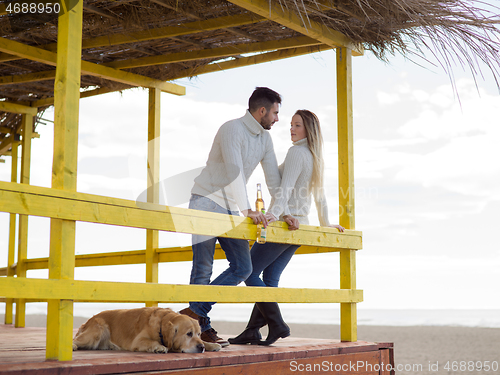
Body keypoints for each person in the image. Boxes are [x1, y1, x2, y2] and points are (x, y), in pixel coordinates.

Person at [228, 109, 345, 346]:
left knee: (248, 271)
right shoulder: (315, 156)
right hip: (300, 227)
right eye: (291, 124)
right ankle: (252, 330)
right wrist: (325, 224)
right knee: (270, 278)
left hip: (285, 225)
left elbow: (285, 189)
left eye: (297, 125)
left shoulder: (297, 152)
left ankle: (278, 324)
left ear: (308, 130)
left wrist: (274, 214)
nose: (291, 128)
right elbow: (319, 197)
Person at [180, 87, 283, 347]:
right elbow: (235, 172)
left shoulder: (265, 140)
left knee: (243, 266)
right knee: (203, 267)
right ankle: (201, 326)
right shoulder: (231, 129)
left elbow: (273, 180)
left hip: (230, 208)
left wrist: (282, 211)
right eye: (275, 113)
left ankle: (195, 313)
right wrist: (247, 209)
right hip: (205, 200)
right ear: (262, 111)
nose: (277, 119)